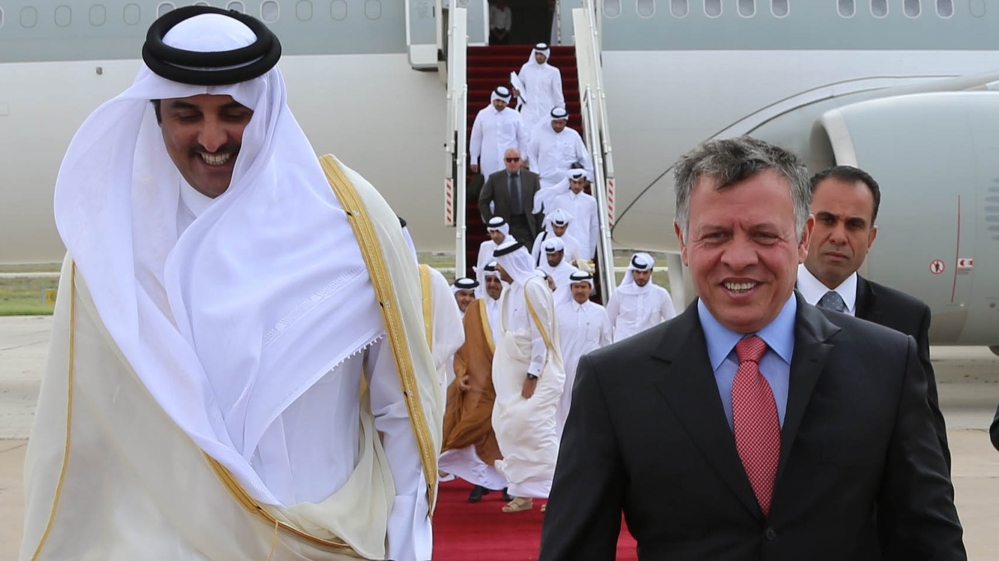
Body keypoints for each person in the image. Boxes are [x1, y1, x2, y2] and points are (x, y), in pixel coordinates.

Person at [21, 7, 442, 561]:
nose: (212, 136)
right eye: (186, 113)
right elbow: (83, 448)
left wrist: (408, 548)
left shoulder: (350, 225)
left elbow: (402, 413)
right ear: (157, 117)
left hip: (329, 542)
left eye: (233, 111)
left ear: (266, 108)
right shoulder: (112, 253)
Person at [539, 136, 964, 560]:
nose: (739, 258)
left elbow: (928, 539)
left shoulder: (887, 365)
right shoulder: (614, 383)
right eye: (716, 235)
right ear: (683, 241)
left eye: (763, 235)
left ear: (802, 238)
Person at [797, 165, 951, 470]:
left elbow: (926, 439)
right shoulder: (763, 305)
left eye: (854, 225)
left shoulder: (905, 318)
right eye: (827, 220)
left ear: (871, 238)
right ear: (803, 225)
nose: (839, 236)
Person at [491, 239, 565, 513]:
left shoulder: (533, 288)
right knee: (507, 426)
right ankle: (522, 493)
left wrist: (533, 374)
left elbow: (539, 335)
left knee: (536, 430)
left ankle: (558, 492)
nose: (498, 270)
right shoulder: (512, 291)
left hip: (539, 374)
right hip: (514, 375)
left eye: (501, 264)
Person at [439, 265, 509, 503]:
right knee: (473, 428)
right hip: (472, 383)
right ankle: (476, 480)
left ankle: (506, 483)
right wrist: (460, 375)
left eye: (495, 280)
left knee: (502, 432)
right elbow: (460, 352)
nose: (492, 284)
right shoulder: (471, 313)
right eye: (488, 279)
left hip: (504, 381)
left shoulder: (508, 308)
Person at [554, 270, 610, 439]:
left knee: (588, 409)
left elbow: (606, 343)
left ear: (590, 288)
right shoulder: (559, 312)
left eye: (583, 287)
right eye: (576, 287)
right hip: (563, 370)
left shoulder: (600, 312)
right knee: (561, 412)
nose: (579, 290)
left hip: (589, 372)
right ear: (571, 288)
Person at [605, 252, 677, 342]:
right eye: (638, 272)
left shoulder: (661, 294)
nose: (641, 276)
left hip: (649, 347)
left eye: (645, 272)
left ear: (651, 272)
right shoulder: (619, 293)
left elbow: (672, 323)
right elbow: (607, 323)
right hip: (623, 348)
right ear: (632, 272)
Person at [479, 147, 543, 246]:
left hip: (526, 225)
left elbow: (539, 203)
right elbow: (483, 201)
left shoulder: (532, 178)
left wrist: (539, 229)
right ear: (504, 161)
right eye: (509, 160)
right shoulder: (495, 179)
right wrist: (492, 222)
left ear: (520, 161)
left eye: (516, 159)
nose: (512, 162)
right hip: (505, 225)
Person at [469, 86, 529, 180]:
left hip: (510, 160)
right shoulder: (482, 114)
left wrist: (522, 158)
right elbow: (476, 137)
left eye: (503, 102)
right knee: (489, 184)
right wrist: (474, 158)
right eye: (498, 100)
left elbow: (522, 138)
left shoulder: (515, 115)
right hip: (488, 158)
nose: (500, 104)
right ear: (493, 98)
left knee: (510, 185)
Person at [526, 107, 592, 189]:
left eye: (560, 123)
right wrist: (535, 171)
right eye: (555, 122)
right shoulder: (540, 134)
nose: (557, 125)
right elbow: (531, 153)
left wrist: (589, 177)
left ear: (565, 121)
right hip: (545, 181)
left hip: (567, 182)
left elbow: (583, 157)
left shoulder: (573, 135)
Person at [542, 168, 599, 259]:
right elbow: (550, 224)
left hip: (583, 246)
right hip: (563, 246)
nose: (576, 186)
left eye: (580, 183)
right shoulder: (559, 199)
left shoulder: (591, 201)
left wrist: (591, 251)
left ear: (584, 182)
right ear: (569, 181)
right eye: (574, 182)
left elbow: (594, 226)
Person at [515, 43, 565, 134]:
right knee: (527, 137)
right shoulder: (526, 68)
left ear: (546, 55)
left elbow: (558, 94)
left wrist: (561, 112)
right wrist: (516, 91)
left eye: (541, 54)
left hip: (546, 110)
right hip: (528, 111)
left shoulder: (554, 72)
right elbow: (519, 86)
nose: (538, 56)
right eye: (537, 53)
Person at [474, 216, 509, 296]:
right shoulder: (485, 246)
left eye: (498, 231)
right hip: (489, 289)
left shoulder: (514, 246)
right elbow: (480, 273)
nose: (495, 235)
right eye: (492, 232)